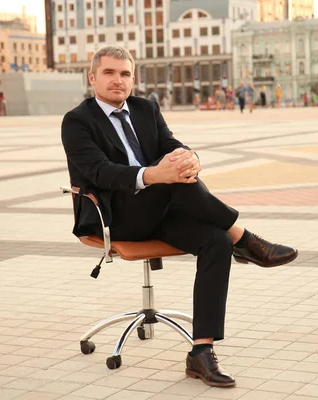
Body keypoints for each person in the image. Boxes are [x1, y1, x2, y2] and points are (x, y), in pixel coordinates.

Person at [61, 46, 298, 388]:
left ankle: (201, 353)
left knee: (214, 241)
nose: (118, 80)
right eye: (110, 73)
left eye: (125, 73)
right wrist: (155, 175)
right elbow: (99, 171)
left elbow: (173, 146)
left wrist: (190, 159)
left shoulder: (146, 108)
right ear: (93, 77)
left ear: (133, 78)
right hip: (114, 216)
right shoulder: (77, 121)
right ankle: (244, 239)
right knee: (172, 179)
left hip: (160, 209)